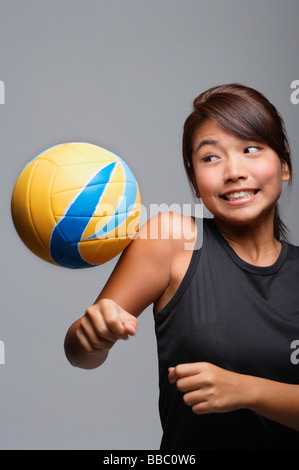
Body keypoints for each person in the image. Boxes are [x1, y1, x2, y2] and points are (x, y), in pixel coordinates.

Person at [64, 83, 299, 450]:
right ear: (194, 181)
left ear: (284, 165)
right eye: (210, 158)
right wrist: (90, 337)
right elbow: (80, 352)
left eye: (251, 149)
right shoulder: (174, 240)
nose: (234, 171)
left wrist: (246, 390)